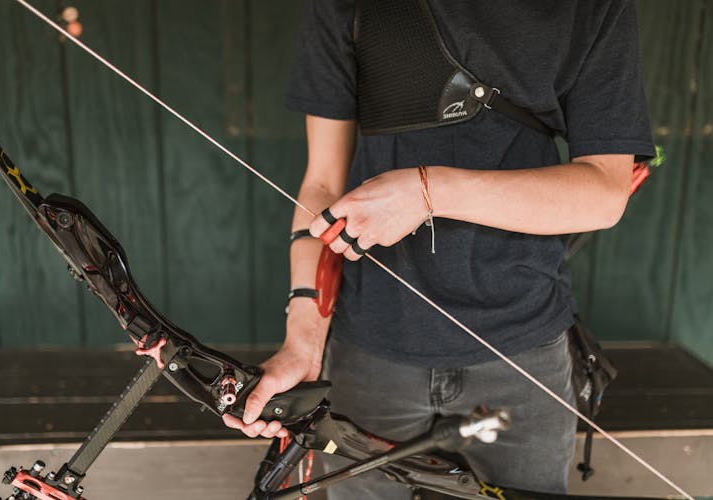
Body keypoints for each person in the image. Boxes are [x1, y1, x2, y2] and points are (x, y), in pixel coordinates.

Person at [223, 0, 656, 497]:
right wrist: (303, 340)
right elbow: (322, 185)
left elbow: (604, 193)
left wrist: (427, 192)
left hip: (523, 350)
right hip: (371, 347)